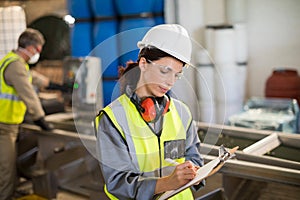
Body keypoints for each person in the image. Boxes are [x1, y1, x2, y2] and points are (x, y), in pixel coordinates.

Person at [95, 24, 205, 199]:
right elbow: (118, 182)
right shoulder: (113, 118)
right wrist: (167, 183)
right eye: (164, 71)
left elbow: (193, 155)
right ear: (144, 64)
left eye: (177, 75)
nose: (170, 82)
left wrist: (194, 171)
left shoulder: (181, 112)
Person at [0, 28, 53, 199]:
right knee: (6, 168)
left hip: (10, 124)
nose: (37, 53)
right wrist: (40, 118)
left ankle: (12, 191)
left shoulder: (12, 60)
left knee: (11, 163)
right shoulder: (15, 65)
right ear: (30, 48)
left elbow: (32, 77)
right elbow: (28, 92)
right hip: (4, 125)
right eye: (37, 50)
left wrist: (55, 85)